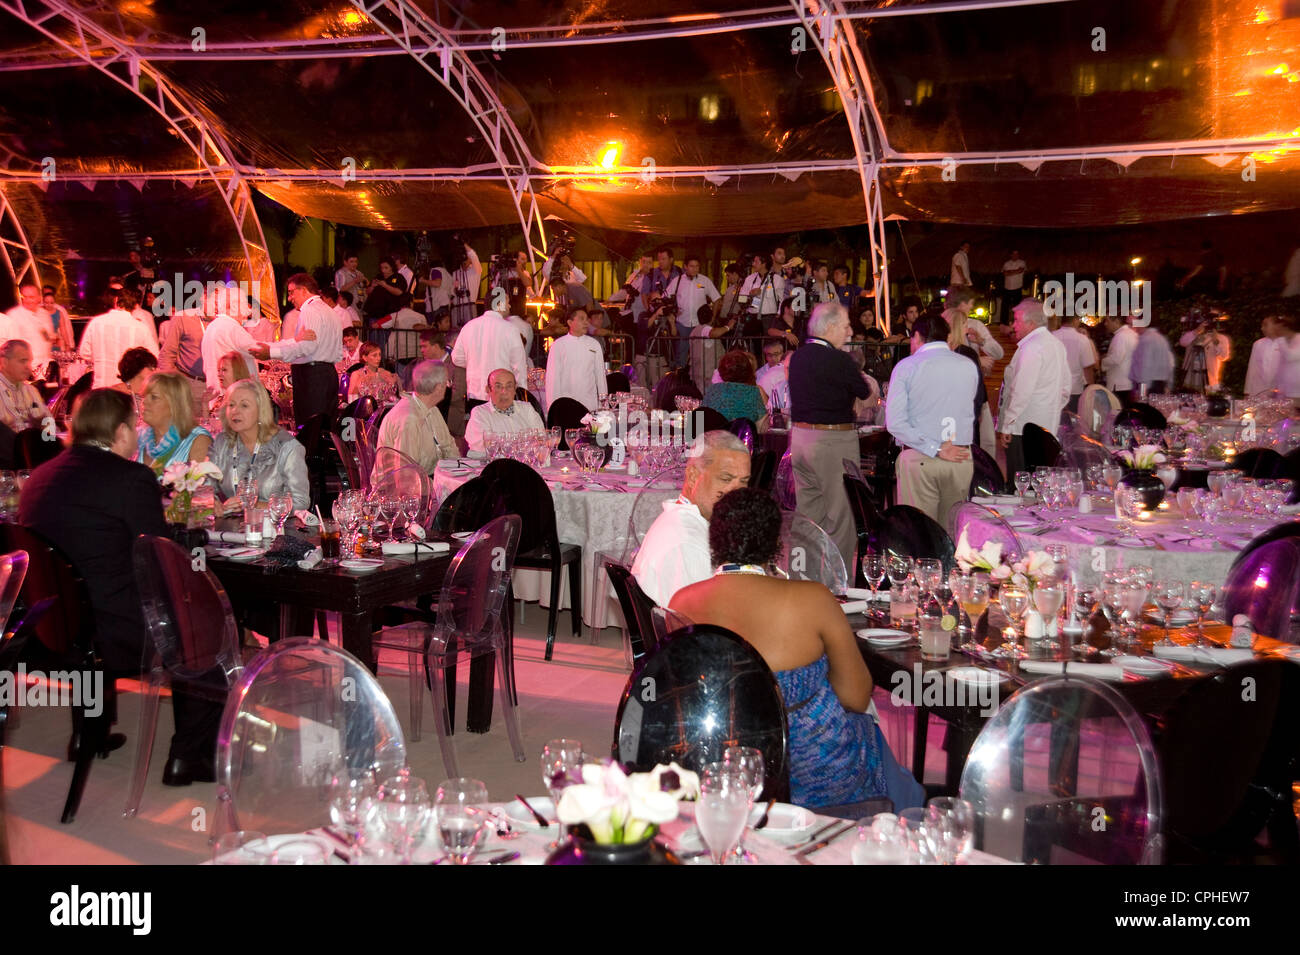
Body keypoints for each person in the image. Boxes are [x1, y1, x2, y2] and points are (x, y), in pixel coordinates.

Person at [669, 488, 923, 810]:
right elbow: (857, 697)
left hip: (720, 766)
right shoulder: (813, 598)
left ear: (714, 541)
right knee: (872, 739)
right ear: (778, 543)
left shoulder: (681, 603)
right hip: (815, 769)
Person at [19, 388, 224, 785]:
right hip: (119, 633)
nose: (137, 432)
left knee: (88, 602)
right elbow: (157, 556)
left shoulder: (39, 479)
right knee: (201, 628)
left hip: (53, 628)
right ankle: (188, 757)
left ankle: (87, 734)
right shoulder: (130, 478)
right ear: (119, 430)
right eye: (134, 425)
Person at [788, 302, 872, 568]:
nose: (849, 332)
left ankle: (807, 575)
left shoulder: (798, 356)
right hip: (832, 442)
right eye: (846, 326)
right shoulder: (838, 359)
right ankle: (838, 583)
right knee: (842, 515)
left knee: (808, 514)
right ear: (831, 326)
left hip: (800, 439)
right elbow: (863, 390)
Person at [631, 430, 750, 607]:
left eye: (744, 482)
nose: (738, 493)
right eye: (726, 479)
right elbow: (702, 623)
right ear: (694, 476)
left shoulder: (689, 520)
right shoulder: (689, 545)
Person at [884, 315, 978, 530]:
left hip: (920, 458)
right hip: (960, 457)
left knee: (920, 534)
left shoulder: (907, 366)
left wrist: (935, 448)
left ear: (917, 336)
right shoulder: (968, 365)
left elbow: (895, 423)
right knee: (952, 534)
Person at [248, 273, 343, 427]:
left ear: (304, 290)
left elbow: (307, 347)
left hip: (312, 378)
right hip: (326, 374)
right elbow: (299, 341)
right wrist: (270, 347)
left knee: (310, 429)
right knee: (323, 429)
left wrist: (271, 353)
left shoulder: (310, 310)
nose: (290, 297)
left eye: (292, 292)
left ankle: (312, 452)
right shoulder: (329, 311)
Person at [207, 379, 310, 512]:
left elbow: (301, 502)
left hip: (275, 528)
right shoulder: (222, 442)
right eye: (231, 405)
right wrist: (212, 503)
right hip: (232, 529)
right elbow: (205, 486)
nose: (235, 411)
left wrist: (254, 506)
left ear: (261, 410)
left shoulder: (287, 447)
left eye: (244, 406)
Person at [998, 299, 1070, 480]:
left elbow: (1021, 390)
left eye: (1016, 320)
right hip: (1047, 426)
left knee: (1021, 483)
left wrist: (1007, 423)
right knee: (1041, 479)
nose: (1013, 325)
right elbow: (1066, 388)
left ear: (1031, 323)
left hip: (1023, 429)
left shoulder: (1031, 347)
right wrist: (1050, 408)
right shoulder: (1056, 344)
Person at [375, 359, 456, 475]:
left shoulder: (432, 409)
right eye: (448, 382)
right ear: (439, 387)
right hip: (398, 489)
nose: (449, 387)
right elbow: (406, 476)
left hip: (431, 479)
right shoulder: (409, 419)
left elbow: (449, 447)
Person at [451, 307, 528, 414]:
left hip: (474, 393)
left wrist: (475, 363)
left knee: (477, 429)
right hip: (502, 395)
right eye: (507, 302)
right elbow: (519, 367)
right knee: (502, 429)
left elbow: (456, 358)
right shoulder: (510, 329)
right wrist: (523, 396)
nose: (510, 306)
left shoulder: (469, 326)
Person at [81, 290, 160, 389]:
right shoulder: (140, 327)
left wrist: (101, 359)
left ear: (116, 301)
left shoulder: (96, 322)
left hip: (101, 387)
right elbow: (154, 356)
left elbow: (84, 353)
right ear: (134, 305)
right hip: (128, 390)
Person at [137, 371, 213, 472]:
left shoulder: (198, 441)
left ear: (175, 404)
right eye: (143, 396)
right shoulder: (141, 438)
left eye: (154, 397)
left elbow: (203, 484)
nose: (144, 402)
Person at [464, 368, 545, 452]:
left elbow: (542, 439)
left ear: (514, 389)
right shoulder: (480, 413)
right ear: (488, 389)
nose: (504, 391)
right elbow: (482, 446)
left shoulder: (527, 409)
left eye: (509, 386)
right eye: (498, 386)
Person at [198, 287, 259, 397]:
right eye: (245, 304)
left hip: (216, 394)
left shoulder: (214, 326)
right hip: (231, 396)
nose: (248, 310)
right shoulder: (231, 327)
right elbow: (258, 350)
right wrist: (292, 347)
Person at [545, 307, 607, 412]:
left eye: (587, 319)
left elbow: (600, 376)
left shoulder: (594, 344)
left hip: (590, 404)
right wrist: (552, 408)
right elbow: (552, 380)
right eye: (581, 319)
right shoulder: (559, 345)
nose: (586, 322)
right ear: (570, 322)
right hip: (566, 404)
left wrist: (603, 405)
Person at [665, 255, 720, 368]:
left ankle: (697, 380)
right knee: (681, 356)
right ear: (685, 267)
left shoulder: (705, 280)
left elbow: (717, 299)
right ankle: (680, 379)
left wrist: (712, 319)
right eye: (691, 266)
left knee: (700, 356)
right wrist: (672, 313)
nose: (694, 269)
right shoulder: (677, 281)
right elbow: (665, 298)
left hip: (700, 325)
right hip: (682, 324)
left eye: (697, 266)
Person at [0, 340, 49, 467]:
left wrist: (44, 426)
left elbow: (49, 426)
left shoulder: (31, 390)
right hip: (7, 463)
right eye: (22, 361)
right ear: (4, 362)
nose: (29, 367)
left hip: (34, 459)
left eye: (30, 361)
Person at [2, 283, 56, 379]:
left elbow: (48, 339)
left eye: (31, 297)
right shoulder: (14, 315)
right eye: (25, 297)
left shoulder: (44, 314)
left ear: (39, 298)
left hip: (46, 368)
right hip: (27, 371)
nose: (28, 300)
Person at [703, 350, 769, 429]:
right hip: (740, 440)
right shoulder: (753, 392)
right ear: (748, 371)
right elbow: (762, 428)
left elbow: (696, 421)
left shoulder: (712, 390)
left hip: (714, 439)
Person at [1052, 312, 1099, 412]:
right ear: (1075, 320)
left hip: (1054, 388)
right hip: (1075, 388)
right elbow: (1088, 367)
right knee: (1074, 422)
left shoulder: (1052, 337)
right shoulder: (1082, 340)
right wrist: (1091, 388)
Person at [944, 288, 1002, 363]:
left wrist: (981, 341)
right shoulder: (939, 326)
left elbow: (998, 354)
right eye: (971, 303)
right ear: (962, 304)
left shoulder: (975, 325)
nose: (972, 307)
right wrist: (976, 361)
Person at [1178, 319, 1231, 392]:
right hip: (1189, 380)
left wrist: (1216, 342)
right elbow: (1182, 342)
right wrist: (1196, 331)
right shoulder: (1193, 334)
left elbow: (1224, 356)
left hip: (1210, 381)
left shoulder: (1222, 338)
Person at [1100, 313, 1139, 405]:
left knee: (1118, 413)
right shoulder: (1131, 334)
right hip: (1129, 382)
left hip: (1119, 385)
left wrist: (1102, 361)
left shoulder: (1120, 336)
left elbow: (1116, 358)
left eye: (1107, 321)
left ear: (1117, 321)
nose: (1105, 324)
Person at [1129, 324, 1176, 396]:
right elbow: (1169, 364)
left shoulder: (1146, 339)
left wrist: (1142, 391)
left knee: (1146, 406)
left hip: (1148, 385)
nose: (1133, 328)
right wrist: (1169, 385)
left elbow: (1145, 366)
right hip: (1160, 383)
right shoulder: (1161, 338)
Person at [1245, 314, 1287, 395]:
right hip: (1260, 390)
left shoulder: (1288, 344)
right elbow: (1252, 368)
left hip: (1282, 391)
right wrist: (1248, 391)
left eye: (1265, 325)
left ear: (1276, 326)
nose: (1262, 328)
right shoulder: (1258, 344)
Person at [363, 258, 409, 323]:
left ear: (392, 267)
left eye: (386, 268)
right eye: (382, 268)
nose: (383, 270)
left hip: (389, 314)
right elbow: (367, 291)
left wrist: (385, 285)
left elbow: (399, 292)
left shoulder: (398, 277)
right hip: (374, 313)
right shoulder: (379, 276)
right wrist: (372, 286)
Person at [42, 286, 76, 354]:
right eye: (46, 302)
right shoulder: (40, 311)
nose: (49, 305)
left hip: (55, 343)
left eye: (51, 303)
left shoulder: (59, 312)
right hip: (42, 344)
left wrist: (68, 345)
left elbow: (64, 330)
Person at [1000, 249, 1026, 326]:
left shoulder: (1022, 262)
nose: (1015, 255)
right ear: (1011, 255)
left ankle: (1017, 322)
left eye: (1017, 254)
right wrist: (1014, 271)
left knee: (1017, 306)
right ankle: (1003, 323)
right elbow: (1005, 273)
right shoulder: (1007, 263)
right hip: (1007, 288)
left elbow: (1020, 270)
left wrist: (1010, 272)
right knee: (1004, 306)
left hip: (1017, 287)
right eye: (1014, 254)